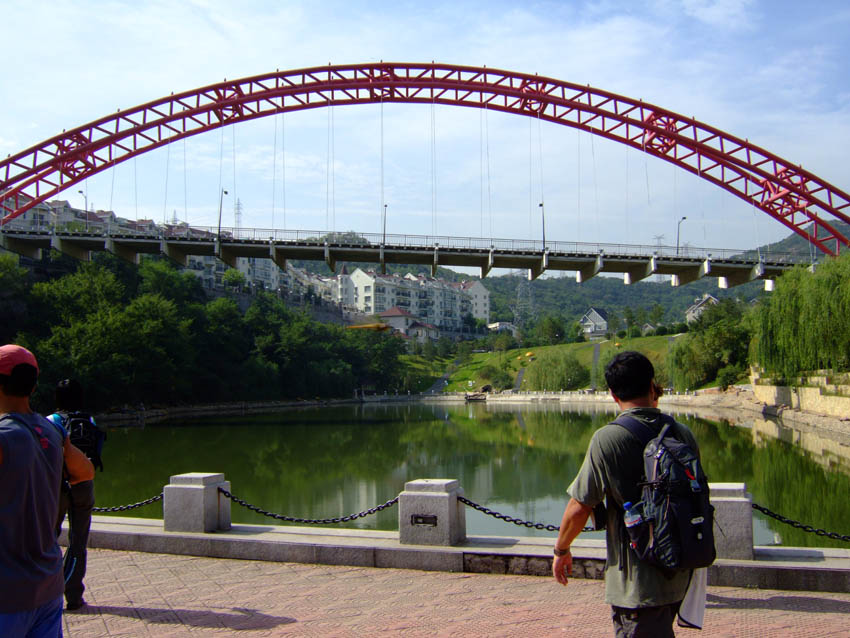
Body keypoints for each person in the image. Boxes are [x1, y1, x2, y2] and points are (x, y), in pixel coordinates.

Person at [552, 351, 701, 637]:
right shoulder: (682, 432)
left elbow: (580, 505)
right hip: (681, 567)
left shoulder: (608, 438)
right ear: (652, 386)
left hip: (637, 579)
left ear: (612, 394)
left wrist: (561, 550)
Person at [0, 345, 94, 638]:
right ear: (33, 385)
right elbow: (85, 472)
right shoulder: (52, 431)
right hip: (47, 585)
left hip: (8, 592)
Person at [47, 379, 101, 611]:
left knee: (49, 539)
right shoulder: (90, 420)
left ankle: (49, 593)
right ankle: (74, 595)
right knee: (78, 542)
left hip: (58, 487)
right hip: (84, 485)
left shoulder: (51, 421)